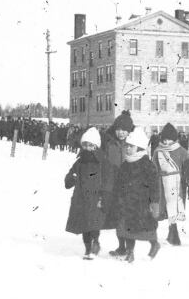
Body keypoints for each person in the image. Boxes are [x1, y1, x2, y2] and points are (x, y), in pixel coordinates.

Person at [107, 127, 160, 263]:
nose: (128, 149)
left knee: (146, 230)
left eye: (131, 146)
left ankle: (155, 245)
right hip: (125, 202)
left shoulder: (147, 165)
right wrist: (115, 198)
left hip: (141, 204)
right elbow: (119, 183)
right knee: (125, 228)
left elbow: (154, 186)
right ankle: (129, 252)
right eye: (127, 146)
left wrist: (154, 203)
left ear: (140, 148)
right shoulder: (125, 164)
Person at [64, 128, 113, 259]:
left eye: (90, 145)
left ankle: (95, 244)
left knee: (94, 224)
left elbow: (108, 180)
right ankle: (87, 247)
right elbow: (68, 179)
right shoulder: (79, 161)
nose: (87, 147)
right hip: (81, 198)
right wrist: (71, 178)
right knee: (84, 224)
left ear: (96, 146)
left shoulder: (103, 161)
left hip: (96, 197)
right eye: (85, 144)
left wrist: (104, 196)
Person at [153, 123, 189, 246]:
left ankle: (174, 234)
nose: (166, 142)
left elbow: (188, 169)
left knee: (174, 208)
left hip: (178, 184)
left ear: (174, 139)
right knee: (165, 208)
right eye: (164, 139)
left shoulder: (182, 151)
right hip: (161, 183)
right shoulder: (158, 151)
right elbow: (153, 168)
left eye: (169, 139)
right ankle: (171, 234)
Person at [103, 111, 135, 257]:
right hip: (113, 187)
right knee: (118, 219)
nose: (121, 133)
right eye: (118, 129)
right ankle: (121, 247)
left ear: (130, 131)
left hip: (130, 188)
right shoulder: (108, 142)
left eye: (124, 130)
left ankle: (130, 250)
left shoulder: (134, 145)